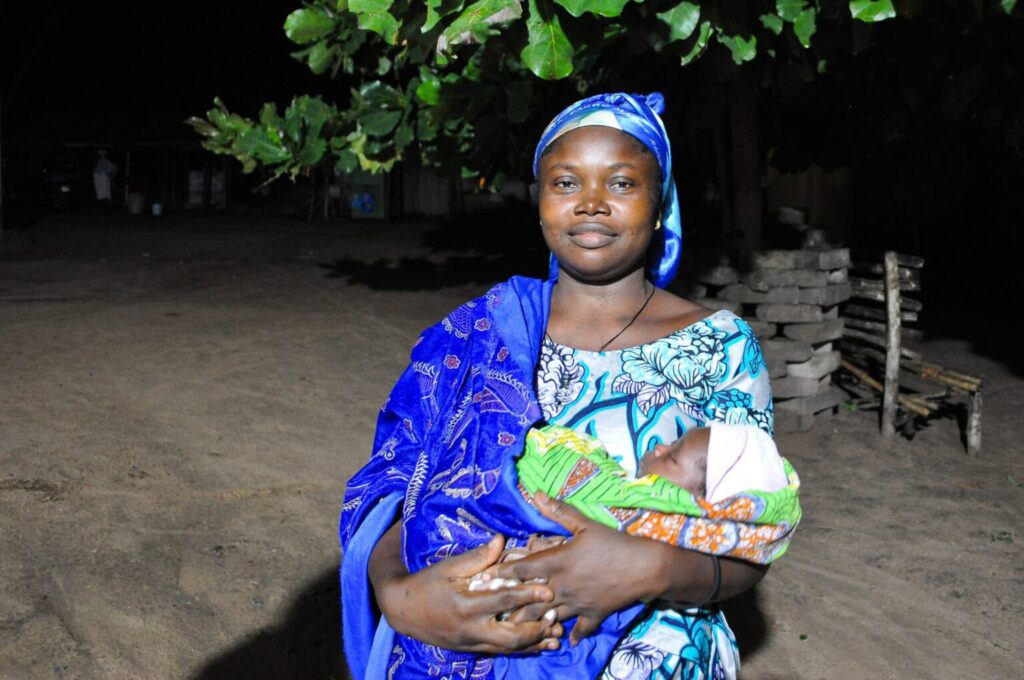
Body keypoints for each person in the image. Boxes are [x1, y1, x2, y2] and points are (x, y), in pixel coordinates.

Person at [339, 92, 775, 679]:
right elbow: (395, 483)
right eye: (566, 183)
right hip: (456, 648)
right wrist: (399, 594)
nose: (591, 204)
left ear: (661, 200)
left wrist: (652, 569)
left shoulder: (720, 348)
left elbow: (755, 532)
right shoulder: (478, 331)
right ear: (539, 198)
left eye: (621, 184)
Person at [467, 423, 800, 596]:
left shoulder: (661, 512)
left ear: (702, 506)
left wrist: (653, 567)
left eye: (671, 456)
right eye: (673, 442)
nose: (659, 446)